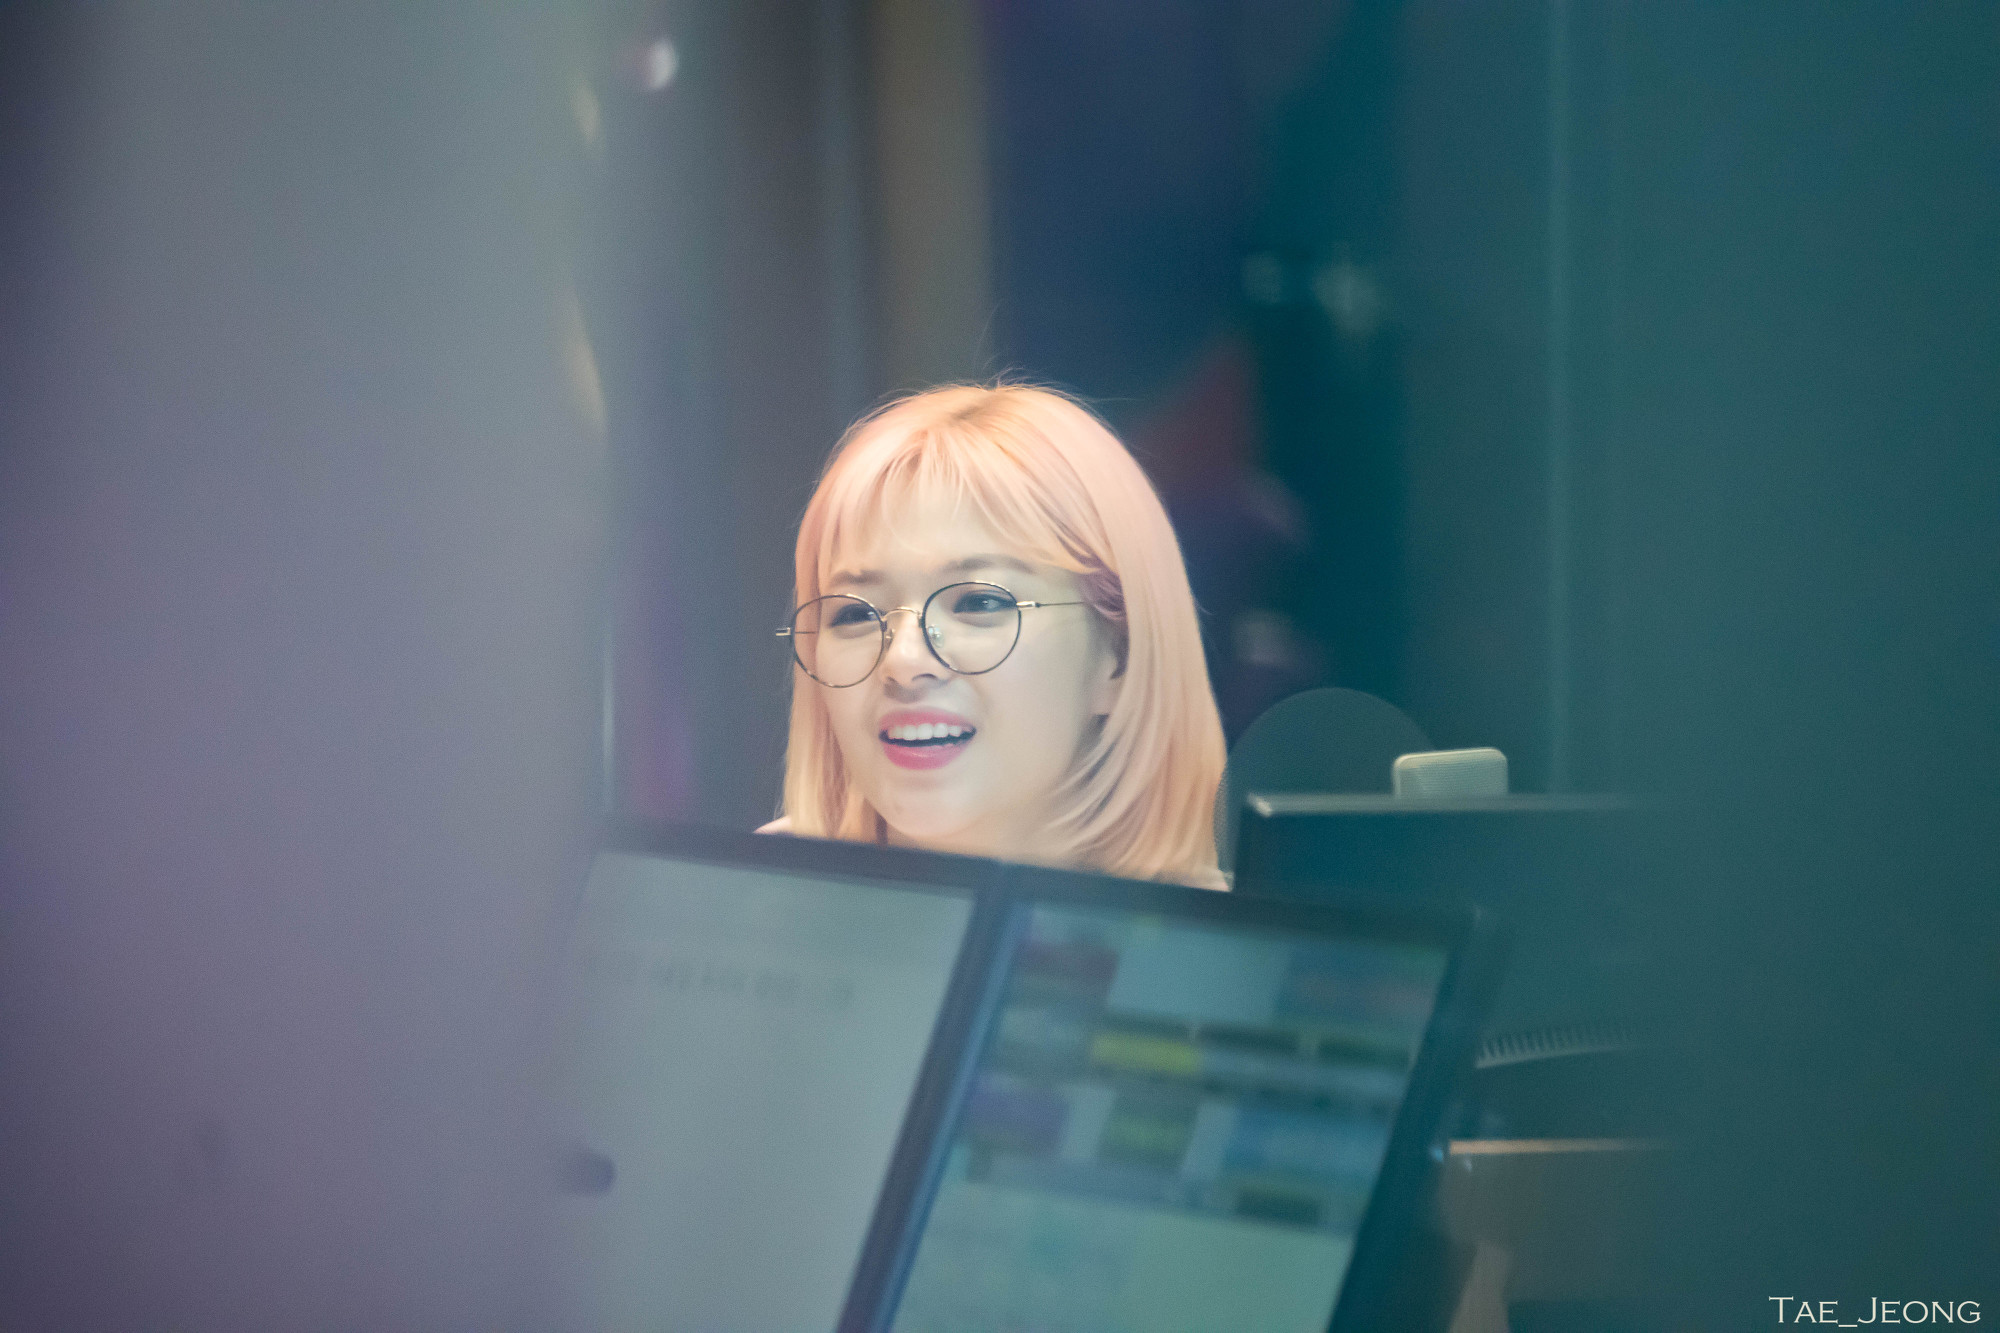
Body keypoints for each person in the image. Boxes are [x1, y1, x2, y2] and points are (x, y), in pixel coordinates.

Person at [761, 383, 1228, 888]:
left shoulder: (1229, 934)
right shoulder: (745, 901)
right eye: (855, 614)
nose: (904, 661)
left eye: (978, 603)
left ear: (1120, 654)